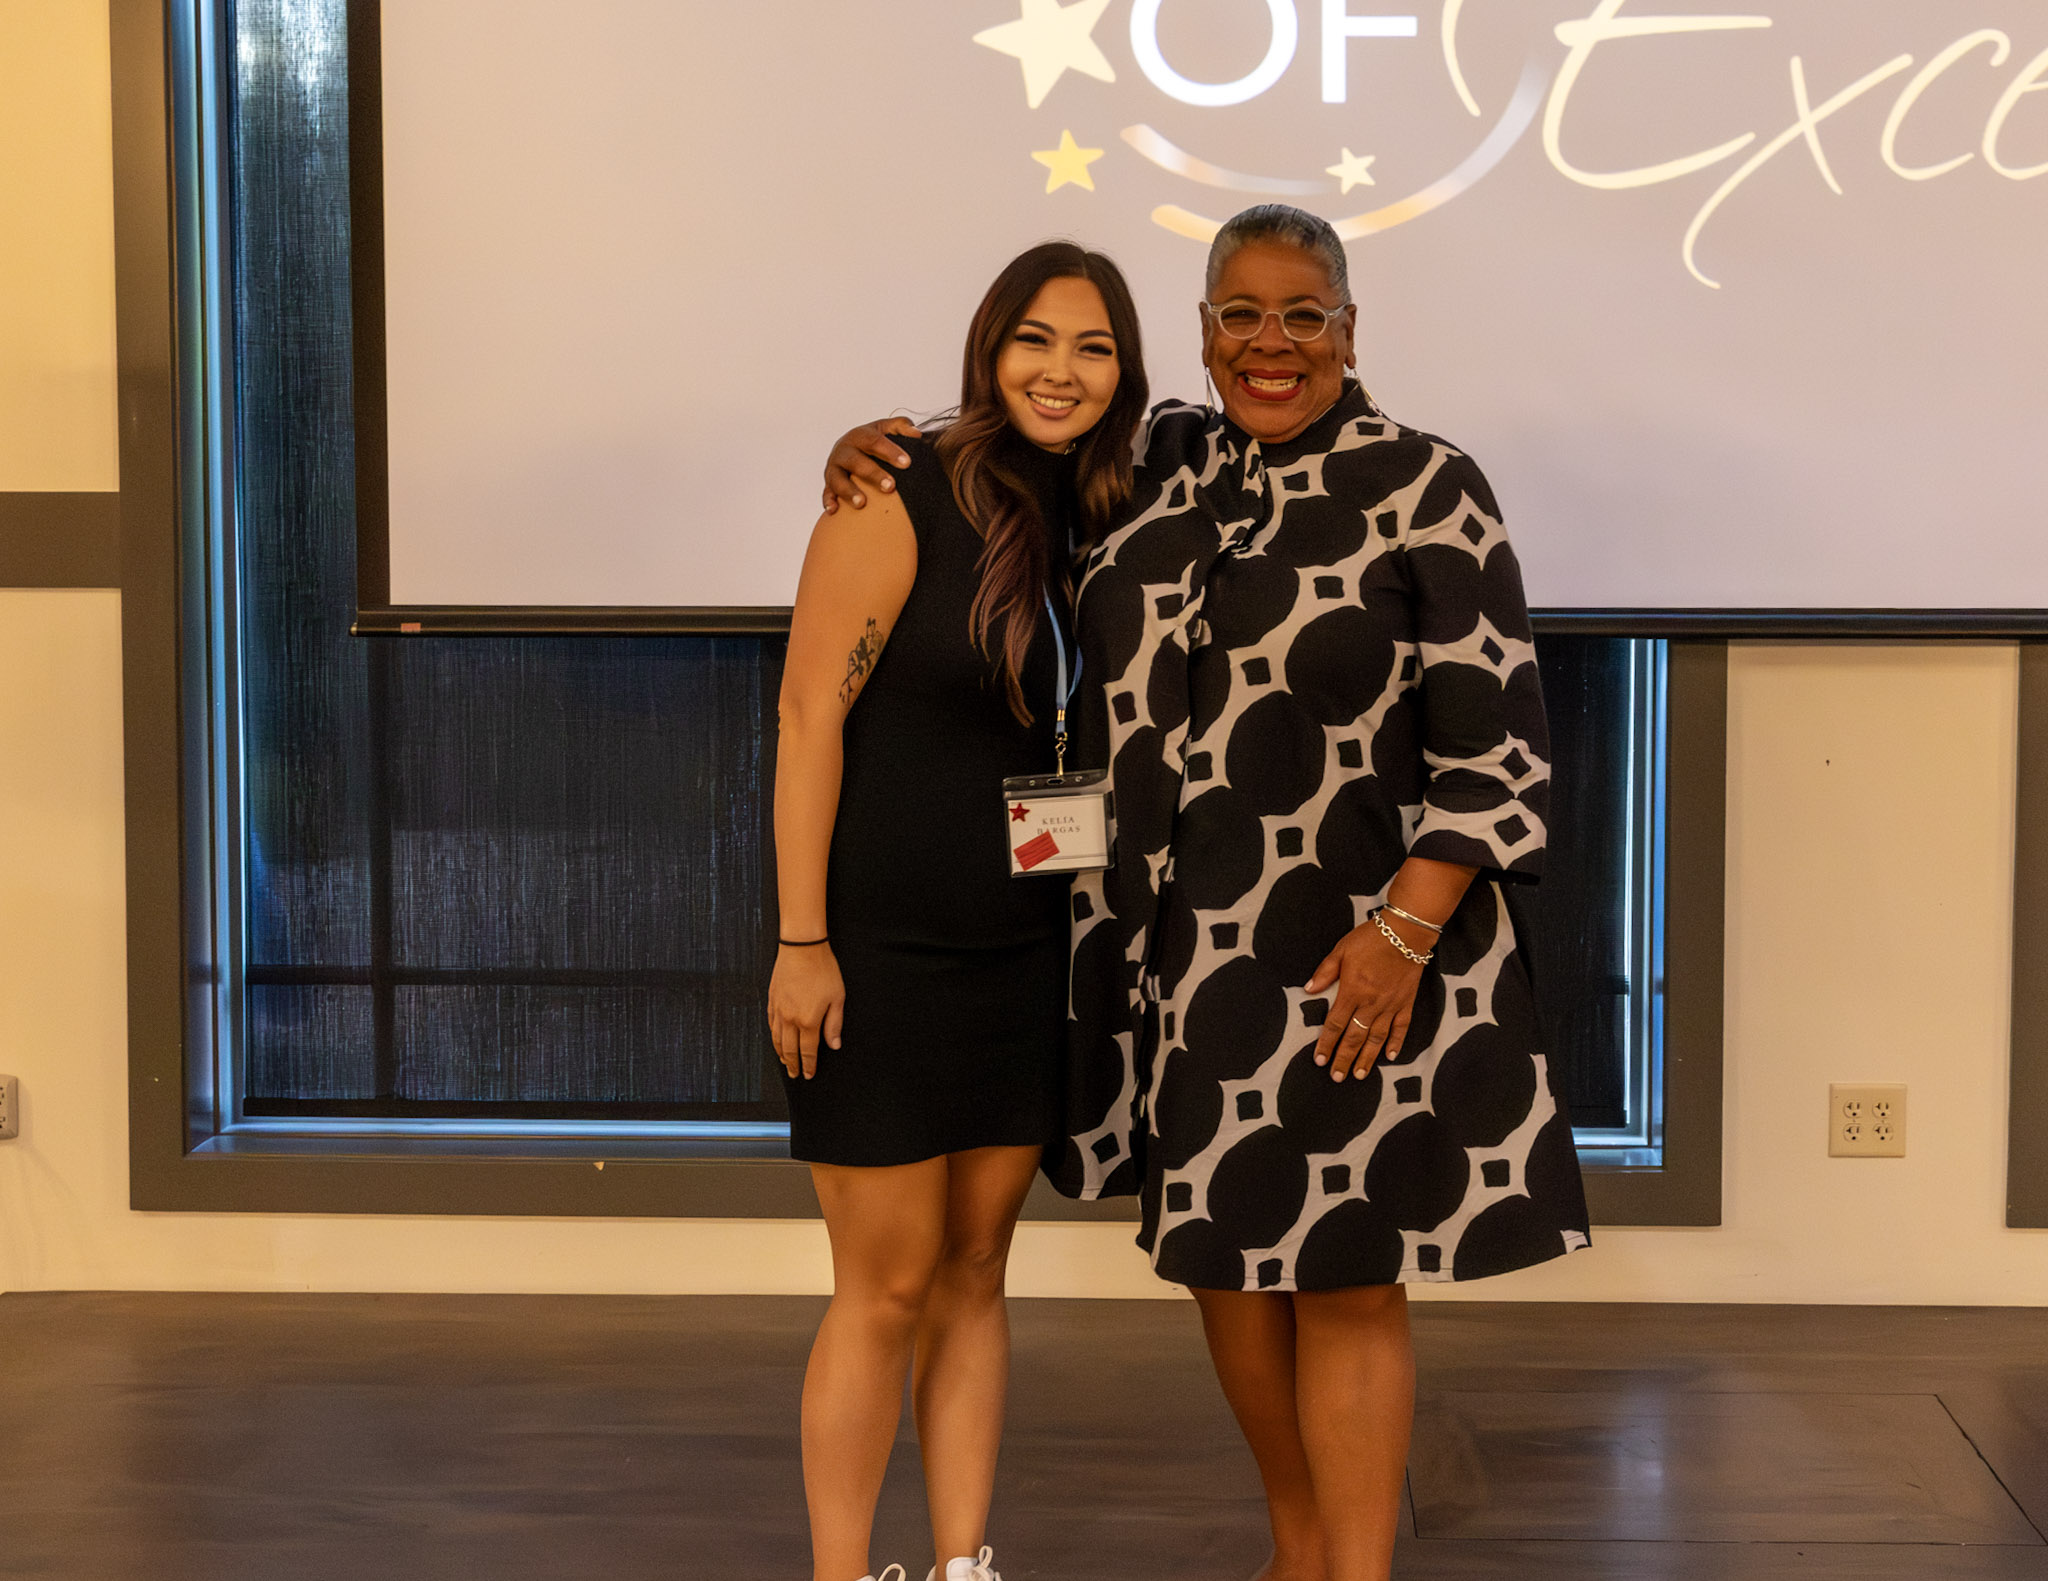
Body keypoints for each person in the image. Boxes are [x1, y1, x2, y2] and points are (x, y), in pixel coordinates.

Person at [824, 205, 1589, 1581]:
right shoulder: (1159, 469)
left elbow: (1503, 752)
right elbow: (1008, 471)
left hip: (1365, 953)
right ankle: (1297, 1543)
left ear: (1352, 328)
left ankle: (1350, 1570)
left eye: (1305, 313)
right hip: (1193, 962)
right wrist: (882, 451)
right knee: (1229, 1267)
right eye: (1241, 313)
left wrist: (1401, 936)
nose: (1272, 342)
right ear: (1202, 332)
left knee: (1346, 1271)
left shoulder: (1428, 484)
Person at [769, 240, 1150, 1581]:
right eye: (1037, 339)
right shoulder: (894, 490)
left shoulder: (1115, 506)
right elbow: (810, 712)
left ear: (1126, 371)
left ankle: (961, 1564)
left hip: (1025, 954)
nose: (1063, 370)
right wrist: (802, 943)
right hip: (876, 954)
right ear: (990, 348)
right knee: (882, 1287)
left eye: (1095, 346)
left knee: (978, 1272)